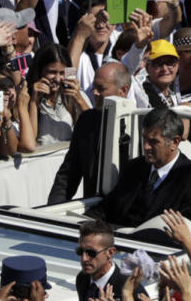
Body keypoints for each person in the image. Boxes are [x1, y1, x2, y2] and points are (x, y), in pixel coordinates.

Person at [87, 107, 191, 231]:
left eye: (153, 141)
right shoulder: (133, 168)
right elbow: (107, 208)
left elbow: (187, 232)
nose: (146, 146)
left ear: (175, 142)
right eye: (144, 139)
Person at [46, 61, 132, 204]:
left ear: (123, 90)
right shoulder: (87, 121)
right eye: (94, 87)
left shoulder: (139, 124)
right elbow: (69, 173)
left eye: (101, 88)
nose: (94, 93)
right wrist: (52, 209)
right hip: (93, 209)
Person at [74, 219, 130, 301]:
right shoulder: (82, 279)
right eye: (80, 251)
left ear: (110, 253)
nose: (84, 259)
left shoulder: (127, 289)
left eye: (91, 253)